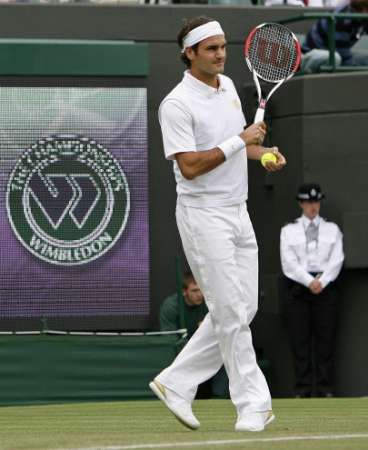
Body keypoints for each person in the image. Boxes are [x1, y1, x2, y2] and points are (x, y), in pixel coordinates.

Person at [149, 16, 287, 432]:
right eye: (211, 48)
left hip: (238, 211)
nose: (221, 54)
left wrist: (259, 153)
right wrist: (241, 141)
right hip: (203, 215)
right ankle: (253, 404)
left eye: (223, 46)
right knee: (228, 311)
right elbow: (191, 166)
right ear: (189, 54)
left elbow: (236, 146)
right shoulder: (175, 104)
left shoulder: (227, 87)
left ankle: (177, 382)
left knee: (244, 308)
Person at [280, 183, 344, 398]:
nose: (313, 206)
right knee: (300, 341)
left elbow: (337, 259)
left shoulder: (332, 229)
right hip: (299, 288)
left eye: (315, 202)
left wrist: (321, 281)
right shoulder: (288, 230)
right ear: (301, 203)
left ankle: (326, 389)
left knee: (326, 341)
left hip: (325, 287)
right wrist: (309, 282)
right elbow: (288, 262)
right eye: (308, 202)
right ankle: (303, 389)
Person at [160, 270, 229, 399]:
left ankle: (218, 398)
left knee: (224, 352)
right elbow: (169, 338)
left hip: (206, 349)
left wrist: (207, 330)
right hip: (181, 351)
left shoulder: (209, 304)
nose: (199, 295)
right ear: (184, 291)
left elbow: (221, 331)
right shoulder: (171, 306)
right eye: (194, 291)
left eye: (201, 290)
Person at [301, 0, 368, 73]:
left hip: (335, 53)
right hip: (311, 56)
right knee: (336, 59)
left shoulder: (361, 16)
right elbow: (345, 58)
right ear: (363, 9)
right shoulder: (342, 19)